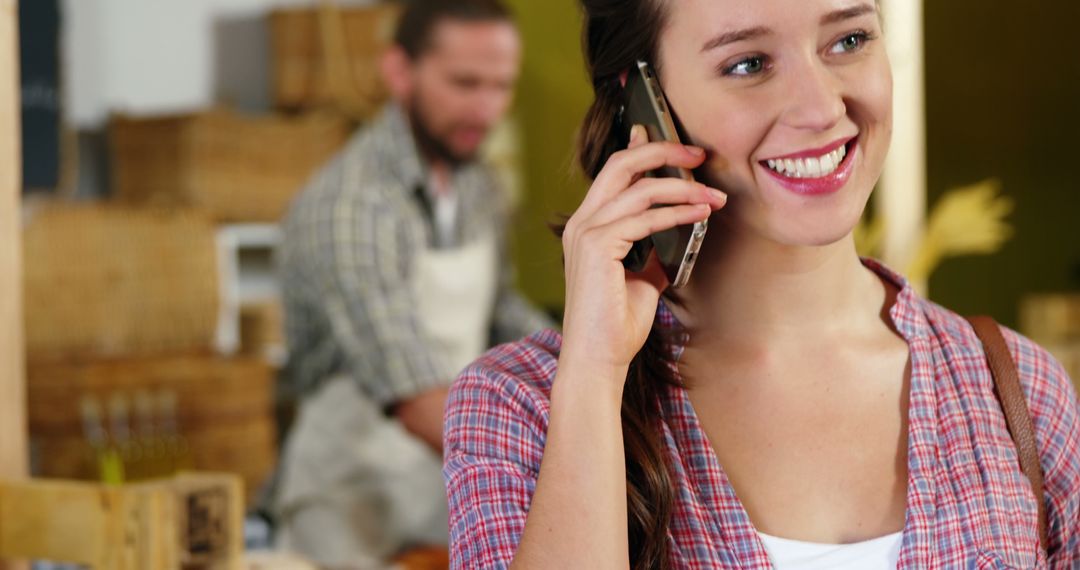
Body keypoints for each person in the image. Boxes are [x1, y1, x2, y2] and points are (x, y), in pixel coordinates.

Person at [442, 0, 1080, 568]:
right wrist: (595, 376)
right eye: (747, 63)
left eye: (850, 40)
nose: (822, 107)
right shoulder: (518, 408)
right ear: (642, 96)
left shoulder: (1018, 387)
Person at [272, 0, 551, 566]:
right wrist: (561, 462)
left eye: (501, 86)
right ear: (400, 71)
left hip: (439, 481)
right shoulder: (354, 205)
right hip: (350, 498)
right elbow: (417, 399)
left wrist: (592, 364)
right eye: (465, 83)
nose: (486, 108)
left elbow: (500, 313)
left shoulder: (478, 187)